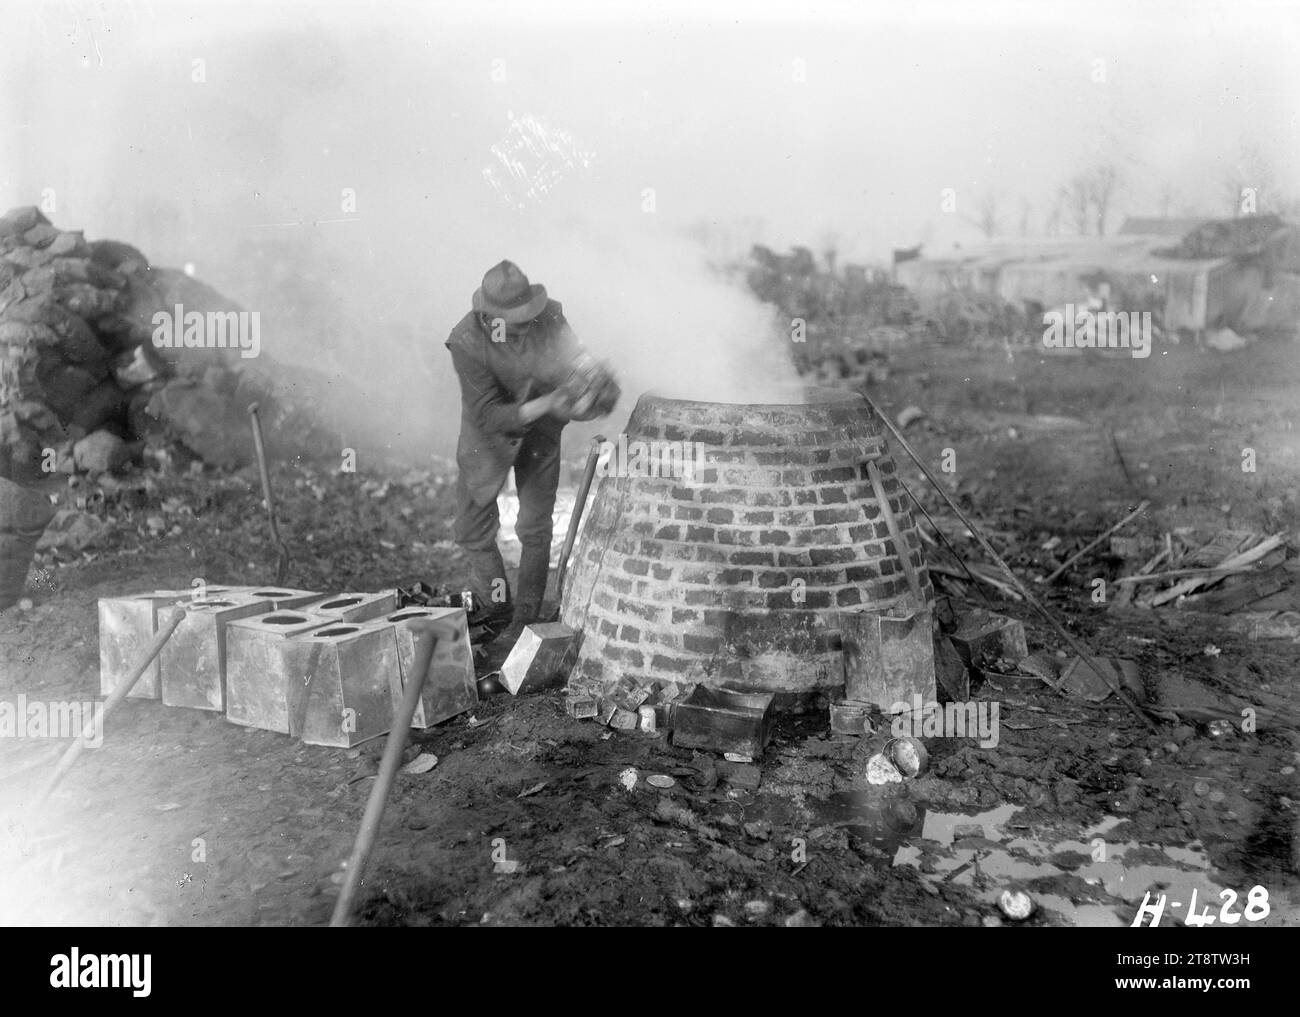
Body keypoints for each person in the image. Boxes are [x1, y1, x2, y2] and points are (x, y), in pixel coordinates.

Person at [446, 260, 618, 642]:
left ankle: (524, 618)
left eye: (529, 314)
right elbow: (488, 413)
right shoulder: (466, 341)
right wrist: (549, 403)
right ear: (490, 317)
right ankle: (499, 607)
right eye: (516, 319)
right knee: (472, 530)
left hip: (541, 432)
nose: (527, 323)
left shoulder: (550, 314)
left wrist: (594, 382)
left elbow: (577, 357)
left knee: (534, 528)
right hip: (487, 437)